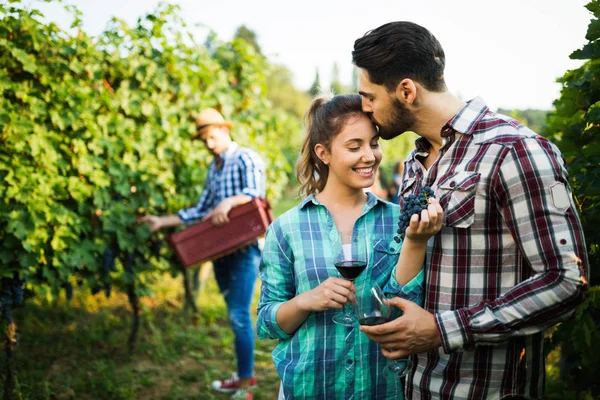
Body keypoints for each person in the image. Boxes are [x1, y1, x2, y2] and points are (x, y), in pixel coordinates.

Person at [352, 21, 589, 400]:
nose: (364, 107)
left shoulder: (514, 150)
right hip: (414, 387)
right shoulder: (416, 163)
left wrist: (445, 329)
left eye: (369, 96)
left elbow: (566, 281)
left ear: (407, 91)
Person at [256, 93, 443, 399]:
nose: (369, 156)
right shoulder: (286, 228)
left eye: (373, 143)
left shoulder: (397, 219)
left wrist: (416, 241)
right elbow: (267, 323)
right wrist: (305, 301)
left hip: (380, 386)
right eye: (354, 147)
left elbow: (406, 306)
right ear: (324, 153)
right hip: (311, 388)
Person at [138, 108, 265, 400]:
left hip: (245, 248)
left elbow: (254, 193)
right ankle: (242, 375)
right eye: (203, 140)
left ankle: (247, 386)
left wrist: (228, 204)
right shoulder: (214, 168)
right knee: (235, 314)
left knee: (238, 315)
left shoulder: (246, 157)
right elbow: (200, 210)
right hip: (221, 250)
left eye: (211, 136)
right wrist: (163, 221)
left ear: (224, 129)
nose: (208, 144)